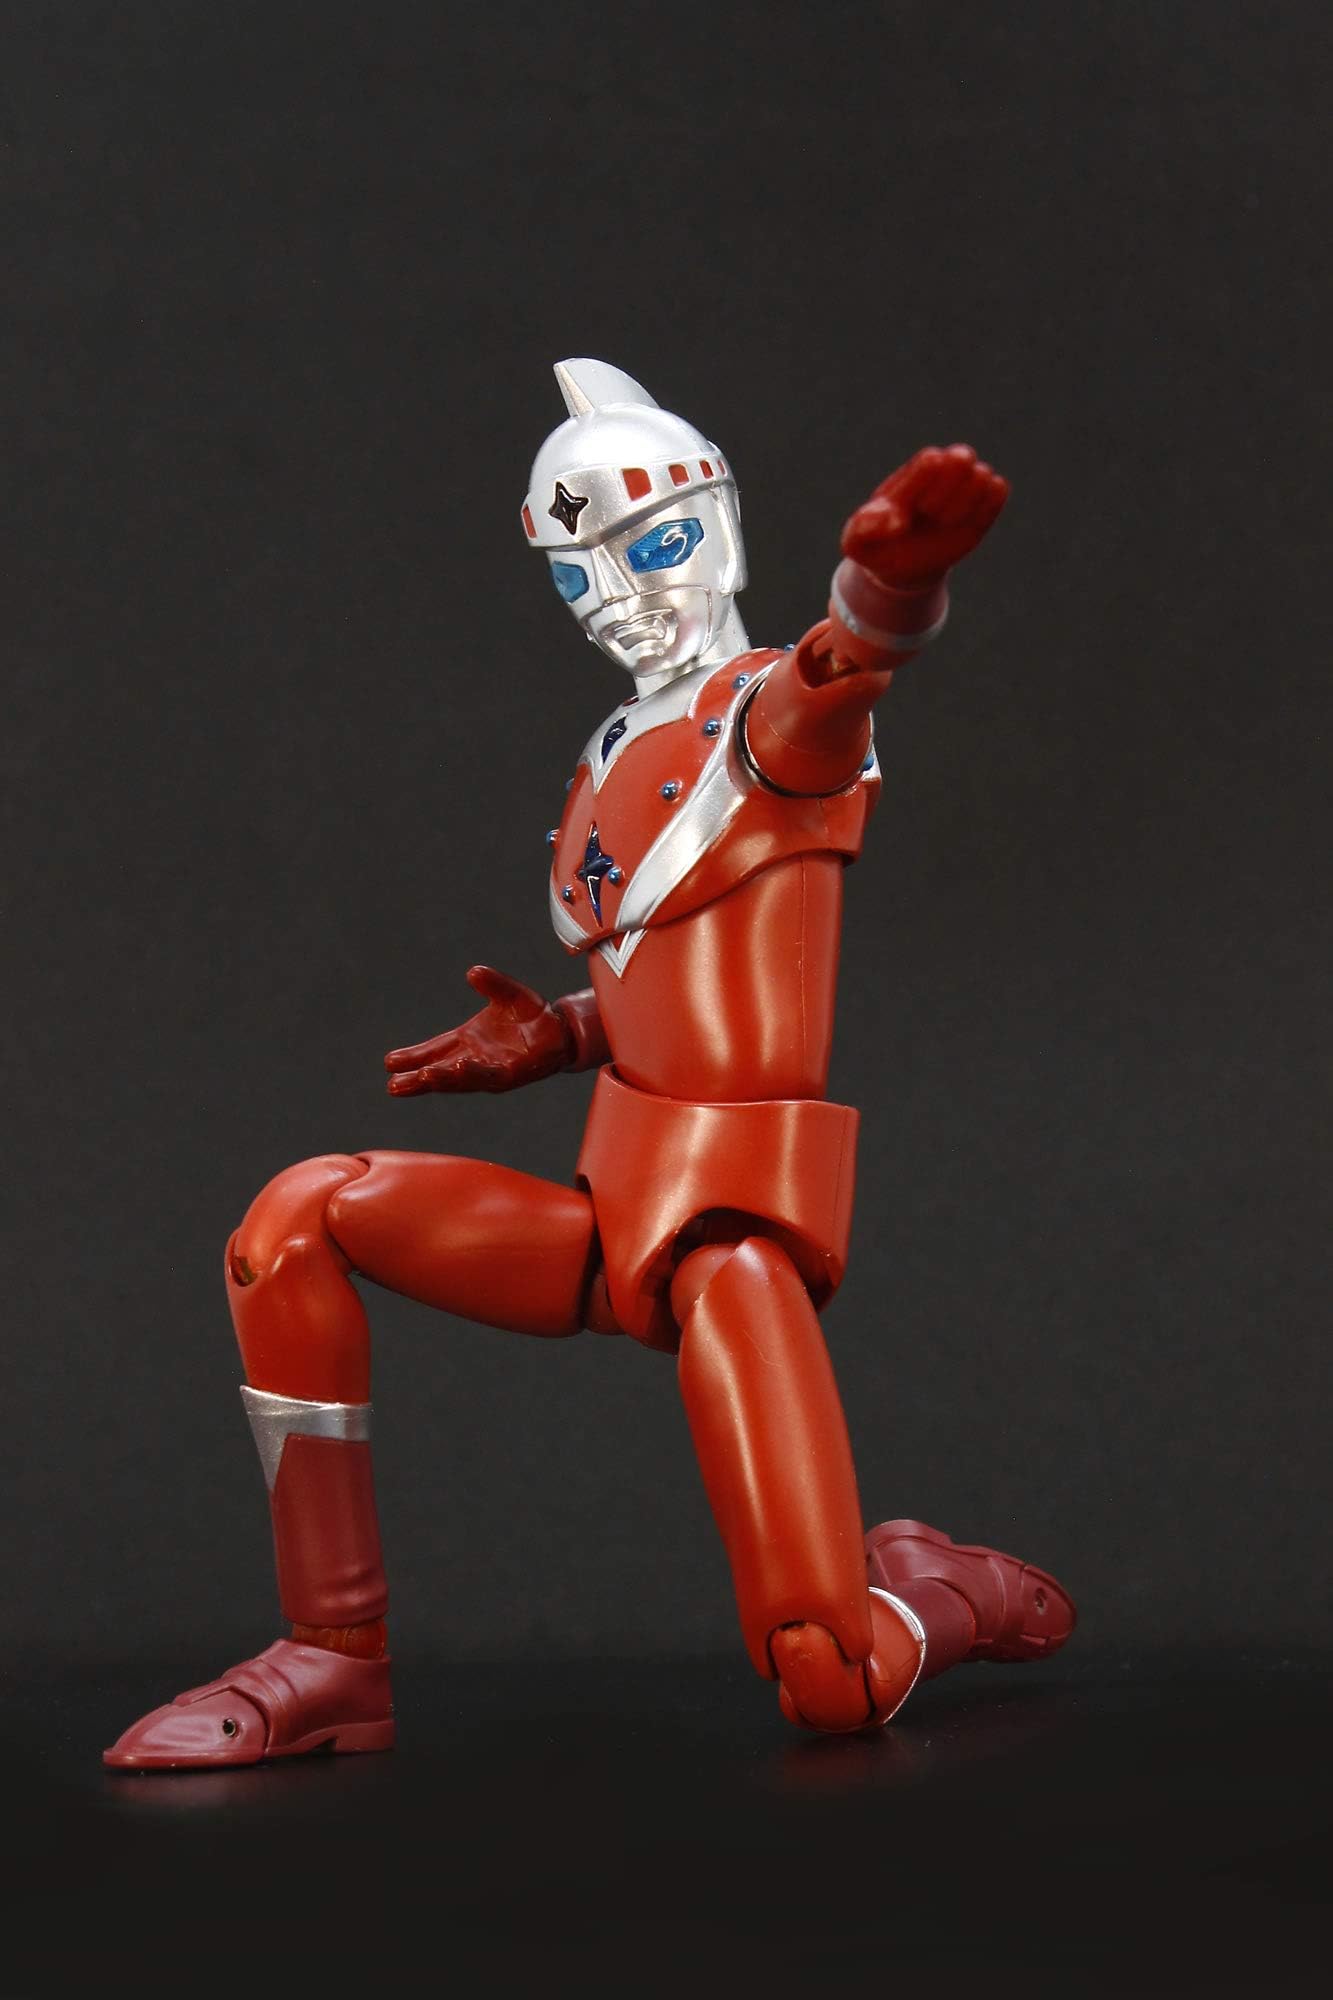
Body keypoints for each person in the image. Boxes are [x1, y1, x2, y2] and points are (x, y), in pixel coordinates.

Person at [105, 360, 1072, 1769]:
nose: (616, 597)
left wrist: (887, 591)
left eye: (650, 545)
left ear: (719, 525)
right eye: (577, 573)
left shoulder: (764, 719)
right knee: (294, 1218)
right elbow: (666, 972)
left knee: (829, 1677)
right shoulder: (622, 742)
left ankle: (935, 1590)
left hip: (732, 1229)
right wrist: (559, 1035)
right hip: (610, 1205)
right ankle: (332, 1657)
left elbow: (839, 683)